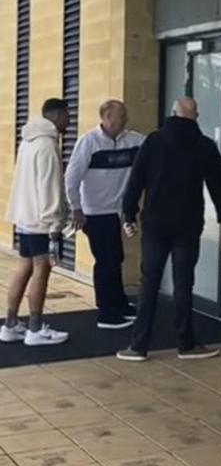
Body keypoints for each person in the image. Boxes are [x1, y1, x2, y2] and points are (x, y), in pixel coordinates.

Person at [119, 97, 221, 362]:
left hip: (155, 223)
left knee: (149, 281)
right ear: (196, 116)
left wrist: (129, 214)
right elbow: (218, 188)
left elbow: (135, 180)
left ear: (172, 114)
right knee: (184, 282)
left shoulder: (153, 141)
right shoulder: (205, 146)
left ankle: (138, 346)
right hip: (187, 223)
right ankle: (186, 343)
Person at [64, 100, 144, 330]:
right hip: (94, 213)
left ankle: (119, 303)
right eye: (122, 115)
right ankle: (107, 313)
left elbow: (154, 147)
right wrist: (76, 208)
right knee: (107, 260)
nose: (126, 119)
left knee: (115, 257)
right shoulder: (89, 142)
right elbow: (71, 178)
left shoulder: (134, 140)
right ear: (107, 117)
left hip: (115, 212)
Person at [1, 98, 71, 346]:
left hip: (24, 217)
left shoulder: (28, 142)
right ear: (57, 115)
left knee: (25, 267)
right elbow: (50, 187)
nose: (69, 120)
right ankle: (35, 328)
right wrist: (55, 226)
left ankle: (10, 324)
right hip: (41, 219)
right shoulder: (46, 146)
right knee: (42, 269)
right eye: (67, 115)